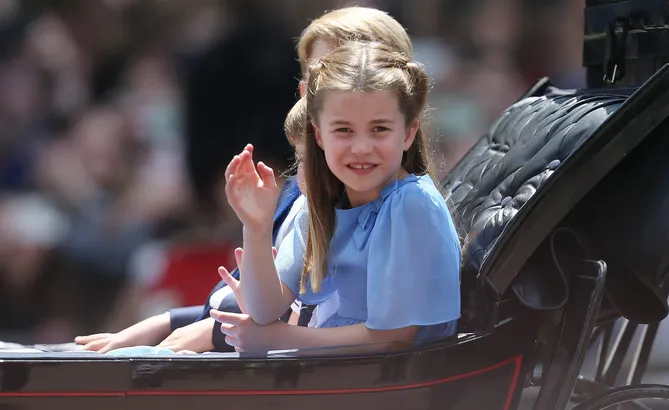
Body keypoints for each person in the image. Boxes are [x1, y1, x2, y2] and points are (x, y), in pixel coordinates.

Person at [74, 5, 417, 354]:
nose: (315, 94)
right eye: (312, 79)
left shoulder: (388, 204)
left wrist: (214, 333)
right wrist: (167, 322)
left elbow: (335, 319)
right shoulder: (305, 196)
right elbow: (271, 299)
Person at [212, 41, 461, 354]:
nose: (361, 147)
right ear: (319, 135)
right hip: (332, 375)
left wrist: (281, 339)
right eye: (344, 130)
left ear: (408, 133)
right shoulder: (323, 201)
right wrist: (256, 227)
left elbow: (396, 336)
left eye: (379, 129)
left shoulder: (412, 204)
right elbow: (265, 310)